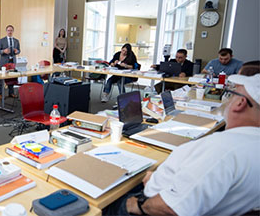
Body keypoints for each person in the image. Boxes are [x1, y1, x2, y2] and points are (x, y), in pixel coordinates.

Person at [104, 73, 260, 216]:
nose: (229, 99)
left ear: (240, 103)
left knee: (104, 200)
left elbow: (170, 208)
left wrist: (137, 205)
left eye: (232, 94)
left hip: (153, 204)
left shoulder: (221, 150)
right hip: (168, 189)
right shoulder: (249, 144)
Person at [0, 25, 20, 98]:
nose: (10, 32)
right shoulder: (1, 40)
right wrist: (4, 51)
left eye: (11, 30)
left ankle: (11, 92)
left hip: (12, 62)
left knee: (12, 78)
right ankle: (1, 93)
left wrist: (17, 51)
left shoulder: (16, 41)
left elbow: (19, 50)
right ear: (6, 31)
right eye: (8, 30)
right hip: (4, 62)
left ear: (13, 31)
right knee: (2, 79)